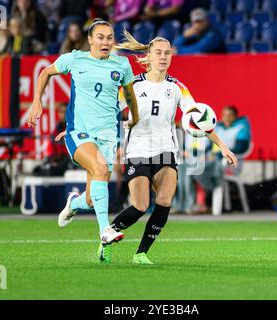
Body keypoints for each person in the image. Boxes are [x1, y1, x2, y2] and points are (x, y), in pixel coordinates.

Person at [107, 31, 238, 264]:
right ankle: (107, 235)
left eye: (167, 53)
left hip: (166, 149)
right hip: (137, 151)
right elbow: (108, 112)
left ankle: (141, 253)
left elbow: (199, 119)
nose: (163, 57)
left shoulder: (177, 87)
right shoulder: (132, 85)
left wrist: (223, 147)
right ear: (148, 56)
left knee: (165, 200)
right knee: (139, 206)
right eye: (158, 52)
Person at [28, 19, 140, 253]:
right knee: (100, 170)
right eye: (100, 37)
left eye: (109, 37)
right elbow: (46, 73)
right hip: (79, 132)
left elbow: (129, 96)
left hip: (108, 135)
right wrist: (36, 101)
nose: (105, 42)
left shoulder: (122, 65)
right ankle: (105, 231)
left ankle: (73, 204)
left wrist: (135, 118)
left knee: (91, 199)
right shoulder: (74, 59)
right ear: (90, 40)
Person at [193, 105, 251, 212]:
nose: (226, 118)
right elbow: (210, 146)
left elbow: (241, 148)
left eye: (230, 116)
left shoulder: (242, 129)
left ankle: (206, 200)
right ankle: (190, 204)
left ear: (235, 116)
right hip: (213, 161)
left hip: (230, 164)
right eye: (224, 115)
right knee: (190, 166)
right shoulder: (218, 128)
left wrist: (219, 155)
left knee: (200, 169)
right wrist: (198, 153)